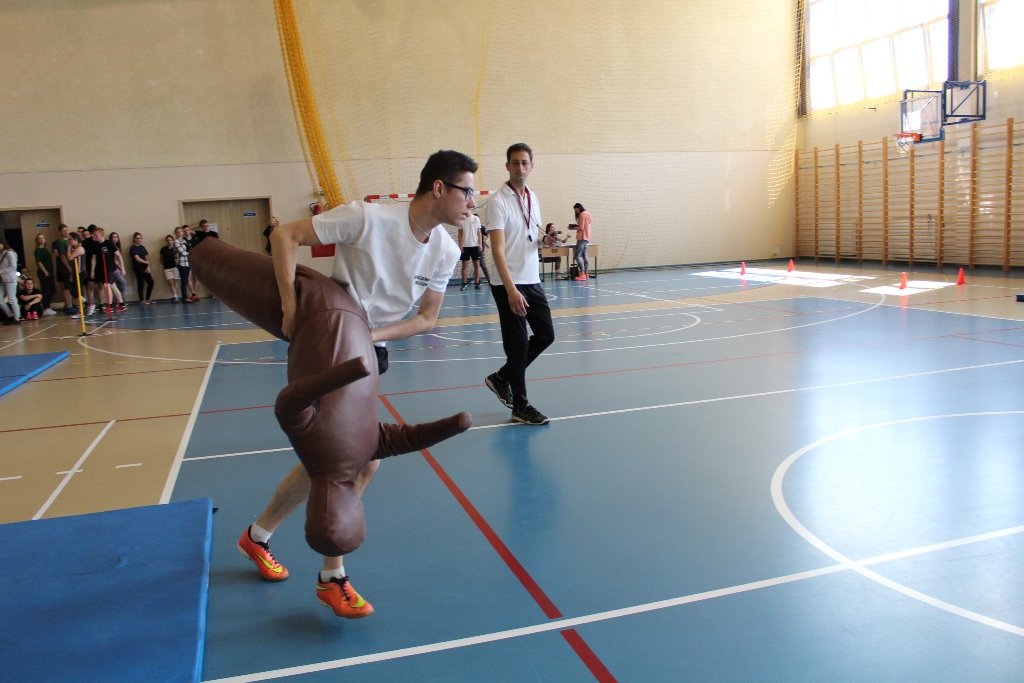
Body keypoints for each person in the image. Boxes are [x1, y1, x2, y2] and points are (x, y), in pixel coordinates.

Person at [237, 150, 475, 619]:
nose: (472, 202)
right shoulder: (367, 218)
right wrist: (290, 306)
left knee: (342, 458)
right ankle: (332, 577)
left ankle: (258, 536)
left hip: (369, 351)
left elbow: (426, 318)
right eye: (467, 192)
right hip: (329, 346)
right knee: (355, 458)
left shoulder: (446, 250)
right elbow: (285, 235)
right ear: (439, 188)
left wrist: (372, 336)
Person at [483, 143, 559, 425]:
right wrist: (511, 290)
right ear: (507, 166)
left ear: (531, 166)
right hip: (509, 283)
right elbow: (497, 250)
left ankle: (501, 377)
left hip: (531, 279)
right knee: (517, 346)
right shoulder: (497, 202)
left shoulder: (532, 198)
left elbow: (531, 234)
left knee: (546, 335)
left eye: (524, 162)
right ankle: (520, 406)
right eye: (514, 162)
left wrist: (545, 240)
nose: (520, 167)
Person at [90, 227, 126, 312]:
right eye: (93, 235)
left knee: (106, 285)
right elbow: (94, 258)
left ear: (101, 235)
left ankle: (109, 306)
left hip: (110, 268)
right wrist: (92, 271)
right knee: (113, 285)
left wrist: (122, 267)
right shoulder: (95, 245)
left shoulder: (109, 243)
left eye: (96, 235)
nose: (94, 236)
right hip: (101, 268)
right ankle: (122, 305)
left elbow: (118, 255)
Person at [32, 234, 57, 316]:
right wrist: (45, 272)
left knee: (53, 290)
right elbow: (39, 262)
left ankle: (47, 306)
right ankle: (46, 307)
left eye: (43, 238)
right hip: (44, 273)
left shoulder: (45, 249)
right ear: (37, 240)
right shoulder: (38, 250)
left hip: (50, 272)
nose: (42, 240)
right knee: (45, 290)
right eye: (39, 238)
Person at [458, 211, 484, 290]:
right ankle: (464, 284)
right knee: (464, 265)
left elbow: (479, 232)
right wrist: (461, 245)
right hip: (465, 246)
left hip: (475, 245)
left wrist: (480, 244)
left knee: (476, 265)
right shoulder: (461, 219)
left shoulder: (476, 219)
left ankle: (477, 283)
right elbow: (460, 233)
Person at [53, 224, 75, 313]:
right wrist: (68, 267)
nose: (66, 232)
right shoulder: (61, 243)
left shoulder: (68, 242)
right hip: (66, 268)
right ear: (59, 232)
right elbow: (62, 256)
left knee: (70, 287)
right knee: (67, 287)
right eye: (63, 231)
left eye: (66, 230)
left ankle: (71, 305)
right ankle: (69, 306)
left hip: (72, 266)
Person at [567, 203, 592, 280]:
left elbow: (581, 227)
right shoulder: (588, 214)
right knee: (585, 256)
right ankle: (586, 274)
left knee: (577, 256)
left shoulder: (582, 215)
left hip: (582, 237)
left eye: (576, 210)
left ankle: (582, 273)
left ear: (579, 208)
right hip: (587, 237)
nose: (576, 211)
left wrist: (572, 228)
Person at [66, 233, 88, 317]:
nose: (69, 241)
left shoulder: (79, 248)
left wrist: (68, 249)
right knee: (79, 292)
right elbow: (73, 263)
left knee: (74, 292)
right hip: (76, 272)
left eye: (70, 239)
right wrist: (72, 274)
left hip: (81, 272)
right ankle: (81, 311)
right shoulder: (75, 248)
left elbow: (70, 258)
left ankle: (88, 304)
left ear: (75, 239)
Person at [130, 232, 155, 304]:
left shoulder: (142, 247)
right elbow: (137, 258)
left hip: (144, 266)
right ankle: (142, 300)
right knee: (140, 282)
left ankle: (148, 298)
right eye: (137, 238)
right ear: (134, 239)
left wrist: (148, 266)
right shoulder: (133, 248)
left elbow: (146, 257)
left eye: (140, 238)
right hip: (137, 266)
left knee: (151, 282)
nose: (139, 240)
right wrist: (146, 262)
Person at [173, 227, 197, 302]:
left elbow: (188, 249)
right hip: (181, 263)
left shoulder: (184, 241)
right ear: (176, 233)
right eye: (178, 232)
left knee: (186, 280)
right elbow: (182, 252)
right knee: (184, 281)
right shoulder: (176, 242)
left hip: (186, 263)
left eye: (181, 231)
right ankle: (184, 297)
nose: (180, 233)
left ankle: (186, 296)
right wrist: (190, 253)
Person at [0, 240, 21, 325]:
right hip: (2, 279)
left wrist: (2, 271)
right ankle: (10, 315)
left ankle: (17, 318)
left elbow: (13, 266)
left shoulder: (9, 253)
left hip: (10, 279)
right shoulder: (1, 254)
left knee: (11, 299)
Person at [160, 235, 181, 302]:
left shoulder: (175, 249)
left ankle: (175, 296)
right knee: (171, 283)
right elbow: (161, 259)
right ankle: (175, 296)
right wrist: (164, 265)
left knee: (175, 282)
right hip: (167, 268)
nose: (169, 241)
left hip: (175, 267)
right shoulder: (163, 249)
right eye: (168, 240)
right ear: (166, 241)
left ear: (173, 241)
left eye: (170, 240)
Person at [108, 232, 129, 299]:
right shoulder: (111, 246)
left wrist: (122, 266)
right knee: (122, 282)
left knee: (117, 283)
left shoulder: (117, 247)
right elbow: (113, 258)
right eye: (113, 237)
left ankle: (118, 297)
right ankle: (120, 297)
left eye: (116, 237)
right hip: (114, 267)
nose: (115, 238)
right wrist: (119, 265)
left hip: (118, 266)